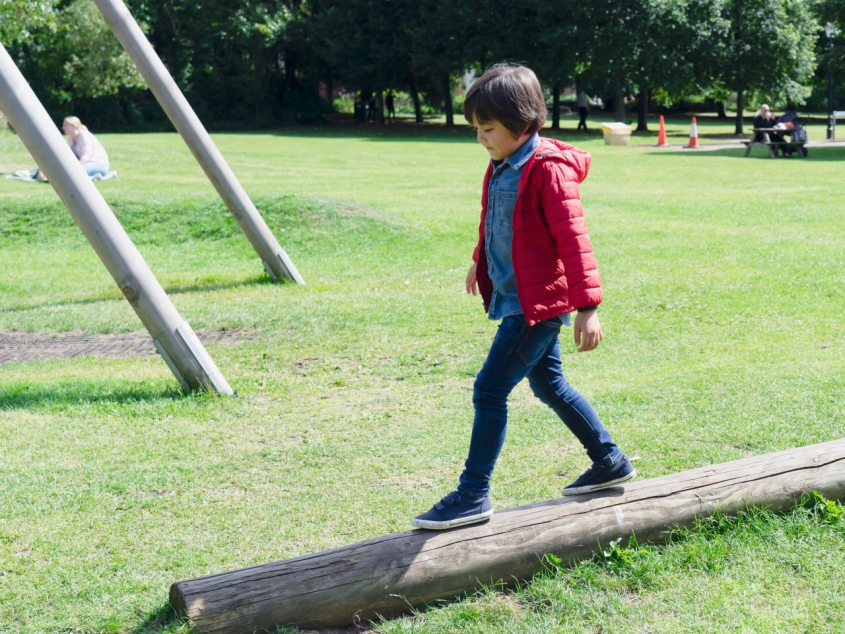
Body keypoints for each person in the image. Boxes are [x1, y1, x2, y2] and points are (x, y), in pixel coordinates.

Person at [412, 64, 635, 531]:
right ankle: (609, 459)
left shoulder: (549, 171)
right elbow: (495, 221)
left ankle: (473, 493)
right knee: (549, 385)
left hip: (537, 305)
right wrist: (480, 259)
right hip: (519, 297)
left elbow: (576, 242)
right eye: (476, 129)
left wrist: (588, 308)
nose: (481, 139)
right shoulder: (501, 165)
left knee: (490, 389)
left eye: (488, 129)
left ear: (524, 123)